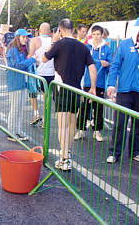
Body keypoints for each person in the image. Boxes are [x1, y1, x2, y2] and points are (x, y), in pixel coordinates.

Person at [42, 19, 97, 171]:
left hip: (61, 88)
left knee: (62, 125)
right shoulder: (83, 47)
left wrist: (53, 41)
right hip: (77, 90)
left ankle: (64, 157)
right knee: (72, 122)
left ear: (60, 29)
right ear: (73, 30)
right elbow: (92, 67)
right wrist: (92, 87)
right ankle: (67, 153)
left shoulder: (58, 44)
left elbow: (44, 58)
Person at [106, 16, 139, 163]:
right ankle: (114, 153)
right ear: (137, 29)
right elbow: (115, 65)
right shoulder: (125, 45)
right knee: (120, 123)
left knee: (138, 123)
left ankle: (135, 152)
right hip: (124, 90)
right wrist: (111, 84)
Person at [76, 25, 112, 142]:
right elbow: (80, 62)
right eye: (94, 34)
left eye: (98, 34)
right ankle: (80, 130)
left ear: (102, 35)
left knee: (98, 108)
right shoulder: (86, 47)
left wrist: (107, 64)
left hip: (100, 83)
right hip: (87, 81)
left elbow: (111, 66)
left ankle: (97, 131)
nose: (96, 37)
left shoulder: (107, 49)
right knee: (84, 106)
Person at [7, 29, 38, 142]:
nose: (26, 39)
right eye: (23, 37)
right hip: (15, 82)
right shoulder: (13, 49)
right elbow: (17, 65)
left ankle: (17, 130)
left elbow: (22, 64)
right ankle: (11, 132)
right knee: (15, 108)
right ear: (18, 37)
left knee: (19, 109)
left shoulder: (22, 49)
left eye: (26, 37)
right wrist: (31, 60)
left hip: (22, 82)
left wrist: (31, 60)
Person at [27, 22, 55, 127]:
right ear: (49, 31)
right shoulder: (54, 41)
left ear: (39, 30)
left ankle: (36, 114)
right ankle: (46, 120)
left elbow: (30, 56)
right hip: (50, 73)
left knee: (33, 93)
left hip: (36, 72)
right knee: (46, 97)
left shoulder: (34, 40)